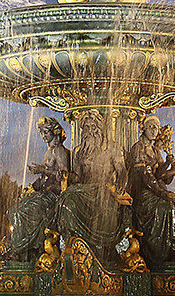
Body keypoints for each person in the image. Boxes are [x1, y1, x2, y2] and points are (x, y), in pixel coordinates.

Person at [54, 109, 128, 262]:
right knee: (66, 199)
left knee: (103, 202)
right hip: (85, 191)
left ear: (99, 128)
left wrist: (121, 185)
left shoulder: (113, 148)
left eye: (93, 126)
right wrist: (66, 176)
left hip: (105, 190)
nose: (89, 131)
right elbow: (78, 177)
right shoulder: (78, 151)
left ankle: (104, 248)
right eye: (86, 127)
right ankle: (72, 245)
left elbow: (122, 171)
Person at [127, 116, 175, 268]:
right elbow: (145, 174)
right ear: (143, 129)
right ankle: (165, 255)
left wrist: (171, 167)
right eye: (151, 127)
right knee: (166, 209)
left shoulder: (155, 150)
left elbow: (162, 178)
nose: (155, 130)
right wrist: (162, 194)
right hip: (143, 194)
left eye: (157, 127)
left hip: (156, 191)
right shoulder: (138, 148)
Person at [4, 117, 70, 263]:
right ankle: (23, 248)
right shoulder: (49, 152)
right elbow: (42, 180)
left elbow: (64, 175)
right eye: (41, 132)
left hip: (54, 196)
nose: (43, 136)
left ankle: (21, 250)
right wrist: (31, 188)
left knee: (20, 212)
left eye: (46, 132)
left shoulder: (59, 151)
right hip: (44, 194)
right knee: (13, 211)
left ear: (55, 131)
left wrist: (44, 171)